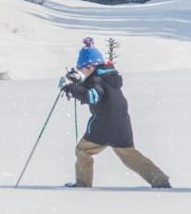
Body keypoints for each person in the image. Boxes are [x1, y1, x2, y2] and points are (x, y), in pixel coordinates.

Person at [60, 59, 170, 188]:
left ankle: (83, 184)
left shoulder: (96, 80)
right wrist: (78, 82)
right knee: (130, 156)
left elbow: (92, 95)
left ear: (91, 67)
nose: (80, 70)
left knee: (83, 151)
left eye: (82, 67)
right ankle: (160, 180)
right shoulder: (108, 77)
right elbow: (92, 87)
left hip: (104, 125)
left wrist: (71, 87)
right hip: (121, 123)